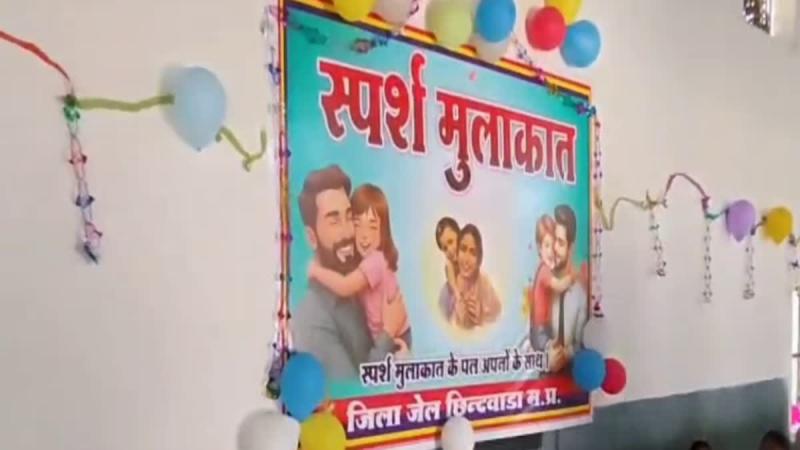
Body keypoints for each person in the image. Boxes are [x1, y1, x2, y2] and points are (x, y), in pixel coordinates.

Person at [292, 165, 407, 379]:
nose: (348, 232)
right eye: (334, 220)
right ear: (312, 237)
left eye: (349, 217)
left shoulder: (358, 283)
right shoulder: (312, 319)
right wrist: (388, 333)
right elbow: (355, 390)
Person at [308, 183, 411, 356]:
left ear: (383, 232)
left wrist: (316, 271)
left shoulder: (375, 261)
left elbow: (345, 286)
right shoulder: (363, 261)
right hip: (388, 336)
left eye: (373, 227)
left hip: (397, 337)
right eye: (357, 224)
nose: (364, 235)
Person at [533, 204, 589, 373]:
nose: (554, 249)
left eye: (560, 242)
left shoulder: (580, 295)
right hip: (542, 380)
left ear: (571, 248)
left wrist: (567, 355)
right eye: (552, 241)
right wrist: (546, 357)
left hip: (572, 378)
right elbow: (531, 338)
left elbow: (585, 342)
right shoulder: (543, 284)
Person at [526, 214, 577, 351]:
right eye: (546, 245)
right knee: (552, 351)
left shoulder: (545, 269)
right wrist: (572, 277)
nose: (551, 251)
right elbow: (559, 286)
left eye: (553, 245)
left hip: (544, 327)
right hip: (540, 330)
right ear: (539, 248)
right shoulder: (544, 270)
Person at [440, 224, 501, 328]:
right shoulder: (447, 293)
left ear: (479, 258)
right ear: (457, 253)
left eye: (473, 253)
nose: (466, 259)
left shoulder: (485, 284)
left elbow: (498, 317)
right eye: (463, 249)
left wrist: (482, 318)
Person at [435, 217, 461, 318]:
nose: (449, 250)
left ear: (459, 235)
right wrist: (457, 294)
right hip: (452, 295)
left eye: (451, 242)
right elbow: (454, 287)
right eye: (445, 248)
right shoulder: (449, 266)